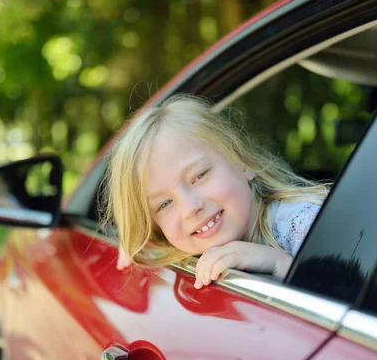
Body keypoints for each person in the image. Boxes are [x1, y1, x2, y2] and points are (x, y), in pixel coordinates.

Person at [103, 95, 328, 289]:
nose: (190, 208)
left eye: (199, 175)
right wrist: (140, 246)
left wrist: (280, 265)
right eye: (164, 204)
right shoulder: (183, 240)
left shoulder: (306, 223)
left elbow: (345, 296)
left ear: (241, 161)